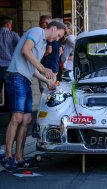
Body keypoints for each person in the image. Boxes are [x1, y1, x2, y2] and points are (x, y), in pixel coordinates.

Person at [0, 21, 65, 172]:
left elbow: (32, 67)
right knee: (17, 117)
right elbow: (25, 50)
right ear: (53, 28)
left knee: (27, 119)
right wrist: (43, 68)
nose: (57, 39)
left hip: (25, 79)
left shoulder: (43, 44)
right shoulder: (37, 31)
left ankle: (19, 157)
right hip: (16, 76)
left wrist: (47, 81)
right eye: (59, 35)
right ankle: (8, 157)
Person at [38, 16, 63, 93]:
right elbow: (60, 51)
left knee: (45, 93)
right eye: (44, 22)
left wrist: (37, 58)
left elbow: (49, 50)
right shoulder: (57, 38)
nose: (45, 24)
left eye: (47, 23)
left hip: (46, 68)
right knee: (51, 91)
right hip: (55, 67)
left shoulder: (48, 37)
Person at [0, 16, 20, 100]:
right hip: (9, 66)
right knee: (12, 91)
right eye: (11, 24)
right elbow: (22, 46)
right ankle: (12, 112)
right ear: (8, 25)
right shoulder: (13, 34)